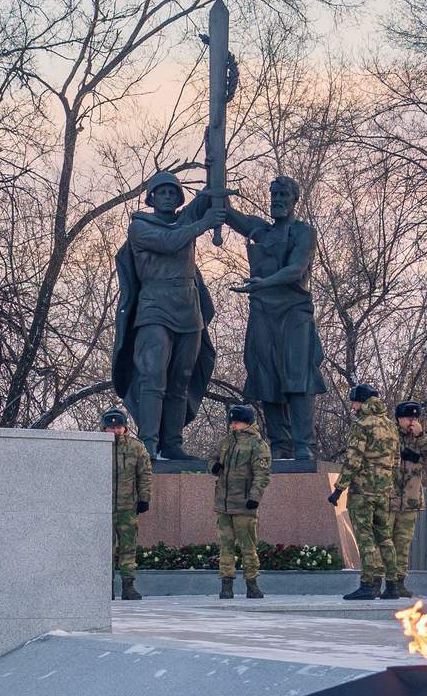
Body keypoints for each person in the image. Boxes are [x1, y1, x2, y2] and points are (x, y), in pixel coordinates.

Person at [111, 171, 224, 460]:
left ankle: (172, 444)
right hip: (154, 307)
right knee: (153, 376)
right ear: (151, 197)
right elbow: (169, 241)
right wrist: (203, 224)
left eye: (173, 192)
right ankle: (149, 444)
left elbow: (207, 195)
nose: (167, 196)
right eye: (161, 192)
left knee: (180, 379)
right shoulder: (140, 227)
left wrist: (215, 166)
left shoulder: (184, 221)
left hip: (188, 309)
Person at [226, 175, 325, 460]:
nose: (277, 200)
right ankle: (280, 444)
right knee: (265, 375)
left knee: (298, 376)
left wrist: (262, 283)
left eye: (283, 195)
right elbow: (230, 215)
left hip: (294, 311)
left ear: (295, 200)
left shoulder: (303, 232)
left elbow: (296, 269)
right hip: (262, 312)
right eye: (274, 195)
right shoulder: (262, 230)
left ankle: (303, 443)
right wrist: (216, 178)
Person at [329, 382, 399, 601]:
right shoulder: (389, 425)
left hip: (363, 490)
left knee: (365, 536)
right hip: (384, 489)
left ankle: (369, 584)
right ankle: (392, 585)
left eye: (354, 402)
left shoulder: (362, 424)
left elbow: (353, 459)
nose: (353, 406)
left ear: (362, 401)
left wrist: (339, 488)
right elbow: (395, 459)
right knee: (385, 538)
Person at [211, 404, 272, 598]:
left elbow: (262, 474)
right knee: (225, 547)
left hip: (244, 504)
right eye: (232, 422)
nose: (232, 425)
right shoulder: (226, 442)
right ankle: (226, 585)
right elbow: (213, 458)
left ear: (246, 422)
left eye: (236, 422)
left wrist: (254, 498)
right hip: (224, 504)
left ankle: (252, 584)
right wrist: (214, 466)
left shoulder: (257, 444)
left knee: (248, 547)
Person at [386, 401, 427, 599]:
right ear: (399, 419)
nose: (413, 421)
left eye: (416, 418)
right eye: (409, 418)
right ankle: (385, 581)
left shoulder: (420, 438)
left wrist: (420, 436)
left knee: (403, 543)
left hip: (410, 499)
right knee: (385, 541)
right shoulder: (389, 433)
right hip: (388, 498)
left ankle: (399, 581)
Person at [105, 408, 153, 600]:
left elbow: (145, 475)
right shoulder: (96, 446)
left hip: (127, 506)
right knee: (104, 550)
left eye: (118, 427)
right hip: (103, 509)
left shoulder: (136, 447)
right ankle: (105, 587)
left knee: (128, 547)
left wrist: (144, 498)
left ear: (125, 427)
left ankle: (128, 586)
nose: (115, 431)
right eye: (110, 427)